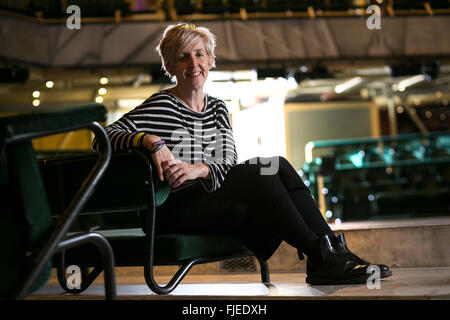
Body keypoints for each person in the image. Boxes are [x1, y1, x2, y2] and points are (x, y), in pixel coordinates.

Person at [93, 23, 391, 285]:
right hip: (171, 209)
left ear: (210, 60)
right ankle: (323, 258)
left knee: (276, 165)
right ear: (170, 66)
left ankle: (332, 253)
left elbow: (227, 161)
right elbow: (102, 138)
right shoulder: (161, 105)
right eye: (182, 56)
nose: (193, 63)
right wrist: (149, 140)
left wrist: (199, 169)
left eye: (199, 54)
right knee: (260, 178)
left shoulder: (218, 108)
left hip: (206, 198)